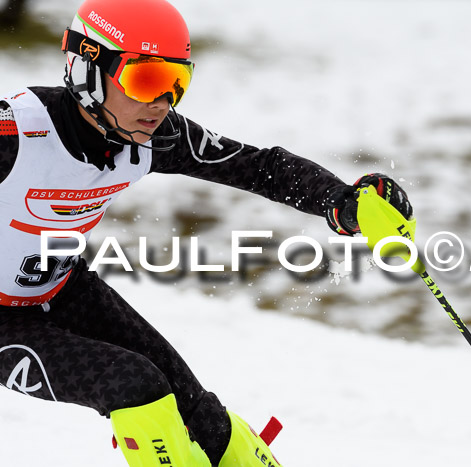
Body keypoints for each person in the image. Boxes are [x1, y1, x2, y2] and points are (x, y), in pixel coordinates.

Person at [0, 0, 413, 465]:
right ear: (87, 68)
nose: (161, 103)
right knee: (137, 387)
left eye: (177, 82)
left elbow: (259, 168)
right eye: (146, 80)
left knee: (198, 412)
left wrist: (343, 202)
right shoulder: (16, 133)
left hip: (65, 288)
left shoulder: (154, 138)